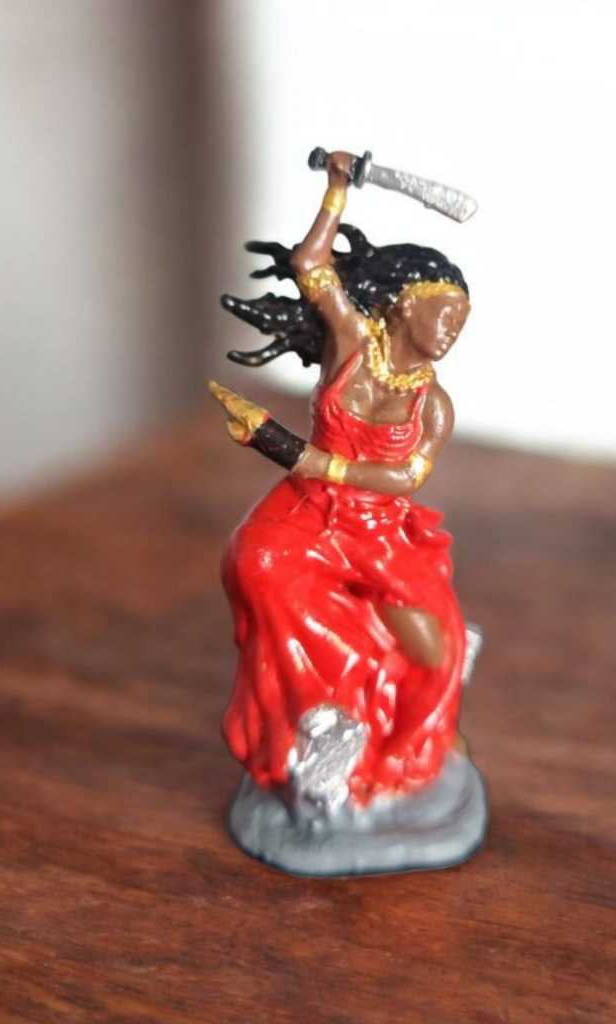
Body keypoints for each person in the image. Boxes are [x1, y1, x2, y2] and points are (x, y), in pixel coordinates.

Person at [217, 151, 472, 806]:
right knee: (255, 563)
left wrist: (317, 461)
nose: (453, 328)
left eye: (462, 318)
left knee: (434, 654)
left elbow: (404, 477)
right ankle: (327, 719)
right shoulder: (352, 341)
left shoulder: (435, 406)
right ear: (402, 306)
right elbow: (311, 265)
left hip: (376, 527)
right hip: (306, 509)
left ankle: (407, 719)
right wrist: (336, 189)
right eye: (444, 311)